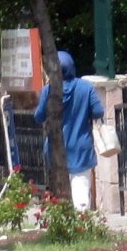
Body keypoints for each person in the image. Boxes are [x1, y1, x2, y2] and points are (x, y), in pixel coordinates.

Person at [34, 51, 106, 211]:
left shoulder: (49, 90)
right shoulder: (86, 88)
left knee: (60, 194)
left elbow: (38, 117)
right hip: (81, 148)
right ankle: (80, 228)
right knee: (80, 194)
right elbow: (99, 111)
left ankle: (63, 224)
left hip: (55, 150)